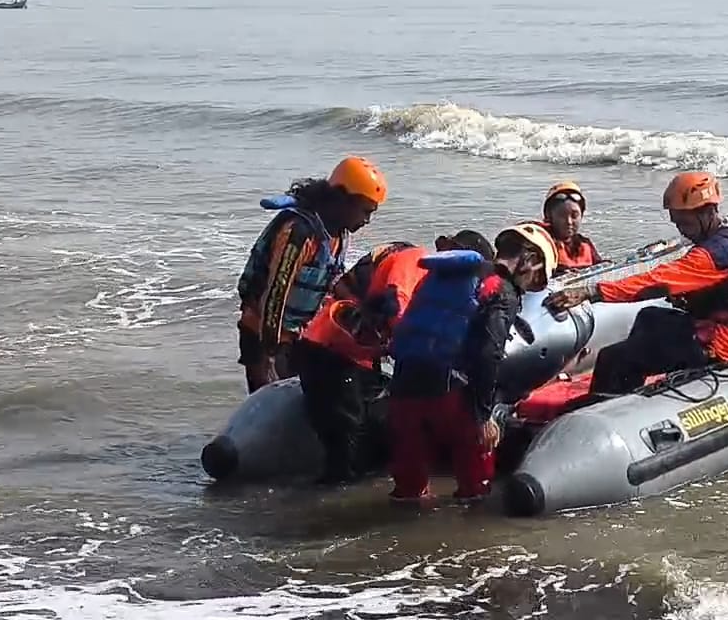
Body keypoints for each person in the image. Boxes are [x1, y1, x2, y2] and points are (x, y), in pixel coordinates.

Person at [544, 171, 728, 395]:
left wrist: (591, 291)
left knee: (613, 357)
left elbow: (655, 281)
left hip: (721, 345)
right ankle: (634, 384)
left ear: (705, 213)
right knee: (650, 317)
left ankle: (605, 406)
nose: (681, 231)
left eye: (684, 223)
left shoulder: (714, 254)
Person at [294, 230, 495, 485]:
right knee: (346, 437)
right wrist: (414, 352)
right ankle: (333, 496)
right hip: (331, 349)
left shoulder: (433, 281)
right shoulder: (415, 259)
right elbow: (396, 302)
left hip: (358, 353)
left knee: (369, 430)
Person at [386, 223, 558, 502]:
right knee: (476, 485)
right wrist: (484, 417)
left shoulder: (445, 275)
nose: (529, 288)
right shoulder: (502, 290)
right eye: (535, 279)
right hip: (450, 392)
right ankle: (471, 526)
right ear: (531, 260)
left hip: (404, 383)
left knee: (408, 488)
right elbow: (489, 354)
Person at [235, 156, 386, 394]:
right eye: (365, 211)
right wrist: (271, 353)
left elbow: (333, 278)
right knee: (270, 397)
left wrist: (363, 313)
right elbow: (276, 293)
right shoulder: (299, 233)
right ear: (342, 200)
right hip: (263, 333)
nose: (367, 220)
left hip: (297, 334)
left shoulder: (339, 234)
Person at [540, 181, 602, 274]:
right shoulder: (541, 245)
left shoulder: (585, 244)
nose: (569, 222)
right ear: (549, 217)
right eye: (562, 216)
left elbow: (602, 269)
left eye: (574, 216)